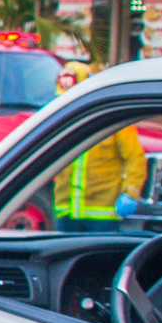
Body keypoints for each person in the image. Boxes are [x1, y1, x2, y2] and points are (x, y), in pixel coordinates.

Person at [51, 61, 145, 231]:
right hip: (66, 211)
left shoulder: (112, 120)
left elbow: (135, 158)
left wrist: (130, 193)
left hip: (102, 216)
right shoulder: (59, 122)